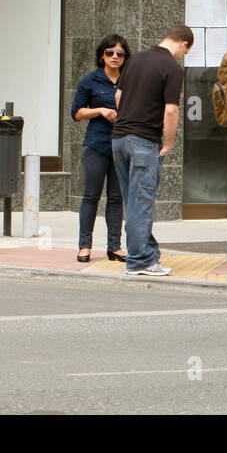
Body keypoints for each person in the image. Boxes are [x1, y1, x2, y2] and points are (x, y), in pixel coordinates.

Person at [112, 26, 191, 276]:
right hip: (144, 141)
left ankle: (146, 253)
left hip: (119, 139)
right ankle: (139, 261)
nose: (182, 56)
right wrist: (168, 142)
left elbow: (117, 95)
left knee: (132, 201)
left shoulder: (135, 60)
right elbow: (171, 110)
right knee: (142, 203)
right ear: (184, 44)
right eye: (185, 51)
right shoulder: (172, 69)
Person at [72, 34, 129, 263]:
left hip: (122, 145)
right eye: (110, 53)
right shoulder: (90, 81)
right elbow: (77, 112)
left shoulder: (129, 80)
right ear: (102, 56)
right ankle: (84, 246)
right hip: (96, 145)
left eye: (120, 54)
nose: (114, 57)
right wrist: (100, 111)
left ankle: (114, 247)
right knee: (91, 196)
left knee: (116, 198)